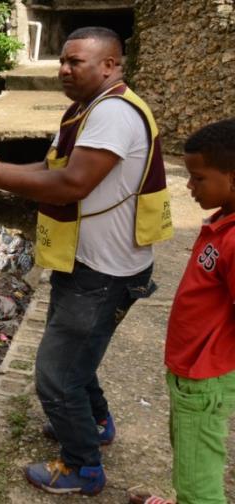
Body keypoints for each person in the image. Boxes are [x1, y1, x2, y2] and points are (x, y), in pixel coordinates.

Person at [0, 26, 173, 495]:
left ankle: (83, 468)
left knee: (56, 376)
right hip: (85, 262)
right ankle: (95, 425)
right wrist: (4, 173)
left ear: (110, 65)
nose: (63, 69)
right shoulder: (88, 109)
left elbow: (71, 184)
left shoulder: (113, 114)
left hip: (103, 273)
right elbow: (54, 168)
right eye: (62, 60)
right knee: (76, 361)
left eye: (75, 61)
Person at [129, 119, 235, 504]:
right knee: (188, 451)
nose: (189, 186)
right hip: (191, 372)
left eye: (198, 178)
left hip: (204, 376)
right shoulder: (223, 222)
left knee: (197, 482)